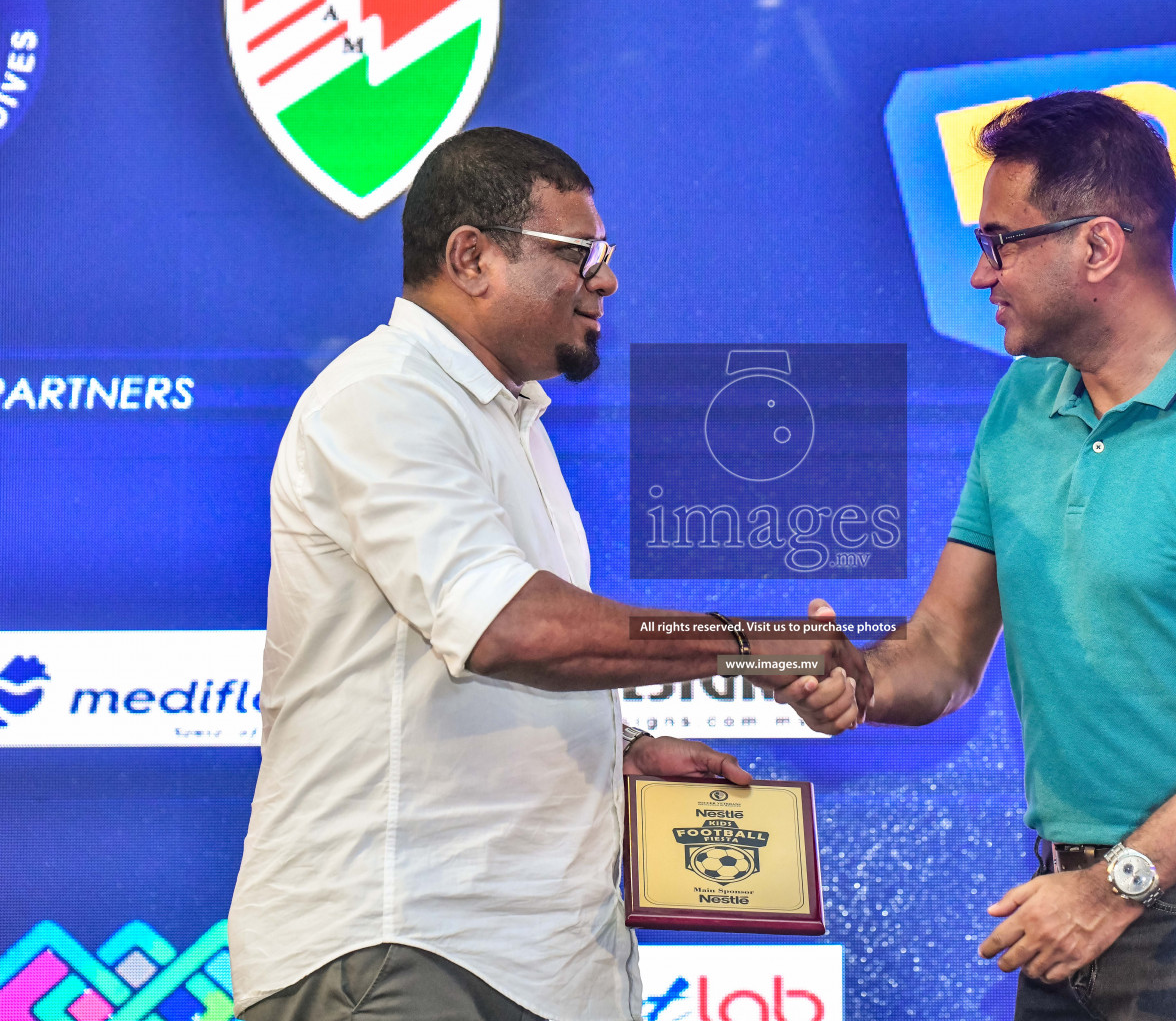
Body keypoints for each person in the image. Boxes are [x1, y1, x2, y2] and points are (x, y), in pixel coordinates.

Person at [228, 128, 867, 1021]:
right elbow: (510, 629)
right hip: (408, 951)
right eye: (579, 252)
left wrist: (622, 757)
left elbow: (454, 676)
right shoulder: (383, 397)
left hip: (530, 963)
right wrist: (752, 645)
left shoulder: (507, 423)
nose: (605, 279)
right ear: (472, 258)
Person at [781, 92, 1176, 1020]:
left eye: (1001, 242)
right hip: (1064, 901)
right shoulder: (1020, 404)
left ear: (1098, 247)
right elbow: (943, 650)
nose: (978, 273)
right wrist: (860, 682)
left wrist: (1112, 889)